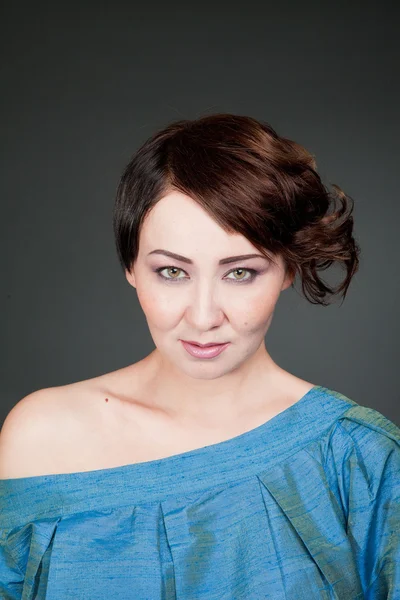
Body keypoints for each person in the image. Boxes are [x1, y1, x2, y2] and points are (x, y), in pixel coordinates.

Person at [0, 113, 398, 599]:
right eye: (171, 271)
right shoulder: (42, 436)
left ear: (288, 269)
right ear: (131, 267)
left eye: (240, 273)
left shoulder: (358, 457)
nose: (204, 316)